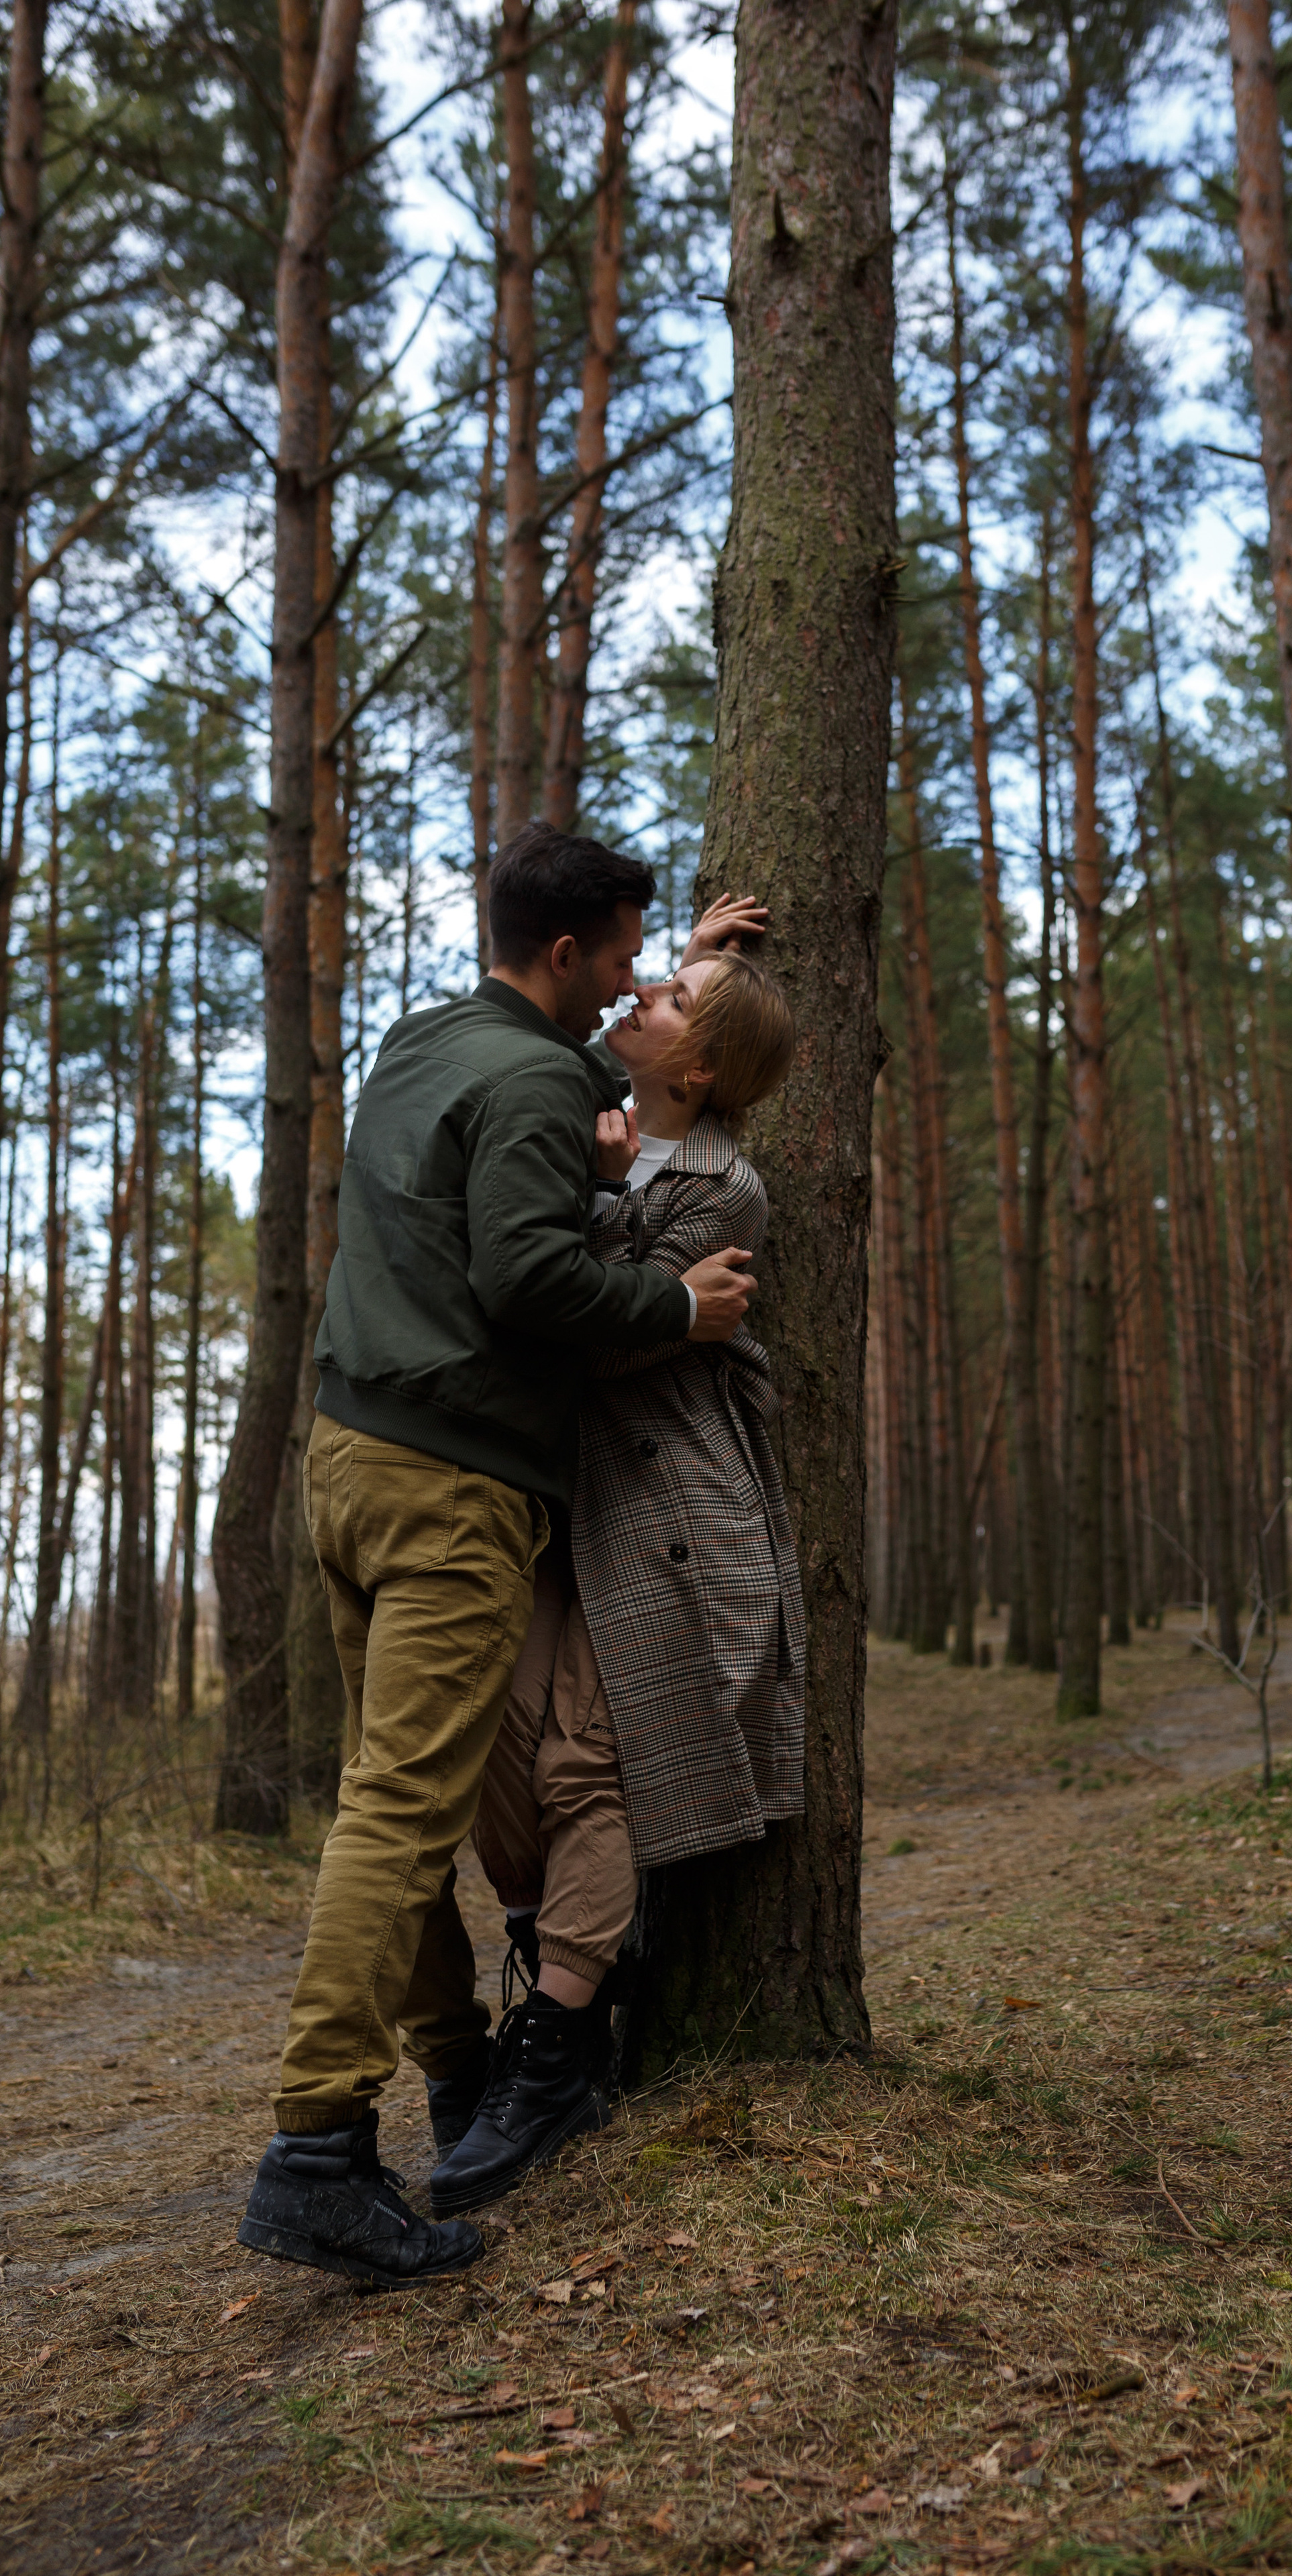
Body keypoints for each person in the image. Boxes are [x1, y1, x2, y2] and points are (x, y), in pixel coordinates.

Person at [237, 825, 757, 2290]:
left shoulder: (432, 1038)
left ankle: (458, 2079)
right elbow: (524, 1273)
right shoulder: (541, 1079)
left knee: (378, 1798)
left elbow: (529, 1103)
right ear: (562, 953)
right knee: (402, 1820)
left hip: (344, 1461)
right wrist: (674, 1312)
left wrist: (672, 1001)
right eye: (621, 959)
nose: (630, 983)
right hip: (454, 1486)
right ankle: (318, 2153)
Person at [426, 935, 806, 2215]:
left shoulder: (726, 1189)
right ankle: (559, 1960)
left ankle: (557, 2053)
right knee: (497, 1741)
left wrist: (583, 1220)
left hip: (661, 1499)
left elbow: (604, 1343)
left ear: (695, 1070)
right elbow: (593, 1028)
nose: (636, 996)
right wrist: (701, 952)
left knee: (594, 1759)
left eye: (670, 998)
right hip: (539, 1491)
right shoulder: (583, 1105)